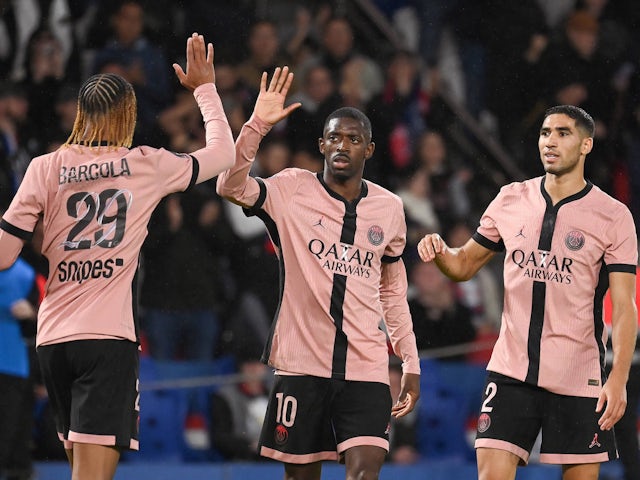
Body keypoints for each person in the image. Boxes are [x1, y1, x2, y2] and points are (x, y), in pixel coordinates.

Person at [0, 32, 234, 480]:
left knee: (79, 471)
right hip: (107, 340)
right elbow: (223, 154)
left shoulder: (44, 167)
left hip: (54, 341)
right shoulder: (146, 164)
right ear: (128, 114)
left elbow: (5, 254)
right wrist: (205, 89)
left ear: (81, 114)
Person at [216, 66, 421, 480]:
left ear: (370, 149)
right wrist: (256, 125)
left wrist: (410, 362)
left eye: (353, 139)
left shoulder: (390, 209)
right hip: (302, 365)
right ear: (321, 145)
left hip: (366, 366)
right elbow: (230, 186)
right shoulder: (292, 189)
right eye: (334, 137)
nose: (342, 145)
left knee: (365, 473)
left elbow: (393, 294)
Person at [417, 104, 638, 480]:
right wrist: (441, 254)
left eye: (562, 133)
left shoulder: (613, 215)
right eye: (545, 133)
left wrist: (617, 379)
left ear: (586, 145)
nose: (550, 142)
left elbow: (624, 307)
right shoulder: (510, 199)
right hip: (510, 371)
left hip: (577, 376)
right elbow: (463, 266)